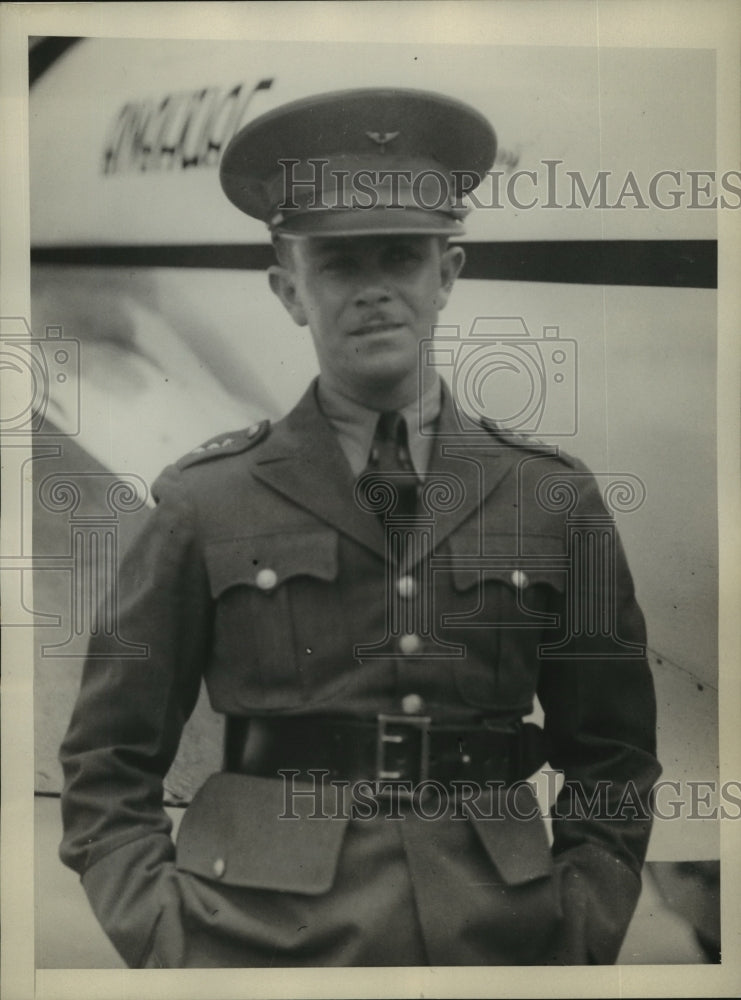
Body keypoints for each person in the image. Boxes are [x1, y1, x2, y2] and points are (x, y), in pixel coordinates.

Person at [58, 88, 661, 968]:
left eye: (401, 257)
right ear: (289, 291)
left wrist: (578, 925)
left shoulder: (550, 498)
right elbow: (107, 758)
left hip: (498, 937)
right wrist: (168, 938)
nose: (375, 290)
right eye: (339, 263)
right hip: (254, 937)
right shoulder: (204, 501)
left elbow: (614, 754)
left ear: (446, 274)